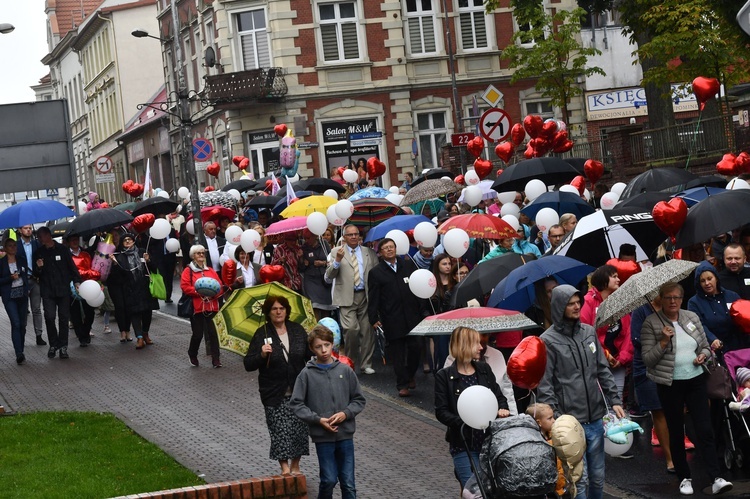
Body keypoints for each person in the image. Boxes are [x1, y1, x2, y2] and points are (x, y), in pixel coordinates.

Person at [640, 282, 733, 496]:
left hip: (696, 379)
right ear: (661, 299)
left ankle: (716, 477)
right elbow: (648, 359)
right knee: (676, 430)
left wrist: (704, 355)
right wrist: (663, 341)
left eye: (677, 297)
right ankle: (684, 477)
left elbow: (704, 346)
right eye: (668, 297)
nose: (673, 301)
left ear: (682, 299)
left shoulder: (691, 317)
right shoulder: (651, 323)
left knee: (704, 428)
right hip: (670, 383)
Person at [537, 284, 624, 499]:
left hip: (595, 417)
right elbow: (545, 384)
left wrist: (615, 399)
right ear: (559, 306)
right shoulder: (547, 341)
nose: (577, 307)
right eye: (571, 303)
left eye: (578, 302)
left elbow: (602, 369)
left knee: (597, 476)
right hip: (569, 422)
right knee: (578, 479)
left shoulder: (588, 332)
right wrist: (555, 419)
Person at [290, 325, 367, 499]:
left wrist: (345, 413)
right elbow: (296, 404)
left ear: (332, 344)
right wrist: (318, 420)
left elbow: (359, 399)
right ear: (312, 348)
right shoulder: (306, 375)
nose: (323, 350)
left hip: (345, 435)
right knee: (328, 480)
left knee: (348, 483)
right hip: (323, 437)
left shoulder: (345, 370)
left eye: (326, 345)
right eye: (318, 346)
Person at [434, 327, 510, 489]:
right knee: (474, 490)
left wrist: (502, 408)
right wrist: (464, 421)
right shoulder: (444, 376)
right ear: (464, 345)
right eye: (476, 343)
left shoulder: (483, 370)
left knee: (490, 490)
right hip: (463, 444)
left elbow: (498, 396)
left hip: (489, 444)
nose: (481, 347)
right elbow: (441, 411)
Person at [244, 296, 311, 476]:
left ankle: (296, 465)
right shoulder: (262, 333)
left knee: (299, 430)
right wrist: (261, 355)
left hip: (299, 391)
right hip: (273, 392)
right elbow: (248, 364)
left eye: (282, 308)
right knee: (280, 431)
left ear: (287, 310)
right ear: (268, 312)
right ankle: (285, 469)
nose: (279, 312)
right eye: (274, 309)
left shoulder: (297, 330)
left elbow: (309, 355)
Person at [368, 238, 428, 397]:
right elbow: (373, 297)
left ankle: (410, 375)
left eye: (391, 247)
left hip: (412, 315)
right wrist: (373, 318)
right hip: (392, 317)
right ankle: (402, 383)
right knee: (398, 353)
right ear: (380, 253)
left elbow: (418, 287)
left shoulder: (408, 265)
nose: (389, 250)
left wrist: (423, 310)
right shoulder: (376, 272)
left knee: (416, 348)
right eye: (385, 248)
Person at [325, 224, 379, 375]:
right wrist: (337, 261)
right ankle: (350, 361)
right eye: (350, 235)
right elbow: (328, 277)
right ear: (344, 237)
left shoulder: (368, 252)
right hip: (346, 296)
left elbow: (375, 274)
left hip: (365, 295)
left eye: (356, 234)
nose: (354, 237)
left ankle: (366, 363)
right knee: (351, 330)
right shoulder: (337, 252)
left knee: (367, 330)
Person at [630, 297, 674, 473]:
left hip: (671, 363)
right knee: (659, 410)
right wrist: (661, 338)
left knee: (675, 409)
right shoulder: (640, 310)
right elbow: (636, 339)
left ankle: (676, 450)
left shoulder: (671, 305)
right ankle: (670, 458)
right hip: (647, 366)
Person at [580, 265, 633, 402]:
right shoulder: (588, 302)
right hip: (596, 362)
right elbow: (585, 333)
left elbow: (628, 331)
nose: (619, 279)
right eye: (614, 276)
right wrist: (605, 355)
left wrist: (622, 358)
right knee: (600, 401)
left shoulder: (619, 301)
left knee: (617, 399)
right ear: (603, 280)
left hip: (617, 362)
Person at [33, 226, 82, 360]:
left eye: (40, 236)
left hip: (63, 290)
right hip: (47, 290)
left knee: (64, 318)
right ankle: (53, 344)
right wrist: (39, 267)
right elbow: (35, 274)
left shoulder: (63, 249)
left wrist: (77, 282)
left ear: (48, 235)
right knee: (49, 317)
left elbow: (72, 268)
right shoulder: (38, 252)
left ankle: (63, 346)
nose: (39, 239)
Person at [109, 232, 155, 350]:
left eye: (130, 239)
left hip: (144, 287)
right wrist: (115, 264)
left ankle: (145, 333)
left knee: (147, 313)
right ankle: (139, 338)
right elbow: (117, 277)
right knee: (134, 313)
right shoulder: (119, 256)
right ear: (122, 243)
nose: (128, 242)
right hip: (130, 289)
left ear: (134, 241)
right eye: (125, 240)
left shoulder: (141, 251)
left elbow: (153, 268)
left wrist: (148, 260)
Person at [181, 245, 223, 368]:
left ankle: (216, 359)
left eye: (202, 253)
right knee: (198, 334)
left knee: (213, 333)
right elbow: (185, 286)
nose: (201, 255)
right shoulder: (188, 271)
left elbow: (219, 286)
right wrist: (200, 292)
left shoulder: (210, 270)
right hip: (197, 307)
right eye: (198, 253)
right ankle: (192, 353)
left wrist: (214, 293)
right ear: (193, 256)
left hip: (212, 306)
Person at [688, 260, 744, 352]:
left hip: (737, 346)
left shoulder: (732, 296)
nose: (707, 283)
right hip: (713, 349)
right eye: (702, 281)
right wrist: (712, 339)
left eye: (710, 278)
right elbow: (698, 325)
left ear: (716, 278)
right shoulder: (694, 302)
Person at [527, 403, 568, 498]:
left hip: (560, 484)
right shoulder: (535, 442)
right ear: (538, 422)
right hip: (547, 489)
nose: (554, 421)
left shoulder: (555, 435)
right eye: (549, 418)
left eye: (553, 417)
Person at [0, 237, 30, 364]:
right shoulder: (1, 263)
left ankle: (21, 350)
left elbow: (26, 276)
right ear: (5, 248)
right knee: (16, 323)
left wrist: (27, 289)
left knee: (22, 325)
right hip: (9, 297)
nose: (13, 248)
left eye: (15, 246)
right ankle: (18, 353)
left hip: (22, 296)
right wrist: (10, 278)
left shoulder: (22, 260)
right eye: (11, 246)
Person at [68, 235, 100, 347]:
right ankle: (81, 337)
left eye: (76, 239)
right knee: (75, 313)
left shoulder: (86, 253)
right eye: (72, 240)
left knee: (90, 312)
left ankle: (86, 331)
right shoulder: (66, 255)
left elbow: (93, 265)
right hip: (72, 287)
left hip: (88, 286)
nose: (74, 241)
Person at [16, 225, 45, 345]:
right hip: (22, 281)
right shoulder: (16, 245)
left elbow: (41, 259)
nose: (28, 230)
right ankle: (21, 335)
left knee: (37, 309)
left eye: (29, 228)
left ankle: (39, 335)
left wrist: (40, 267)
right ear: (20, 230)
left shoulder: (36, 244)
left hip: (35, 279)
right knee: (22, 310)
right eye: (25, 228)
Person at [300, 230, 334, 319]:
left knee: (326, 308)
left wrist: (323, 263)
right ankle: (316, 330)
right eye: (305, 238)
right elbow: (300, 268)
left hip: (324, 280)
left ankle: (326, 329)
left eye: (308, 238)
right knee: (314, 306)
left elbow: (331, 260)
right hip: (311, 280)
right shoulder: (303, 248)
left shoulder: (324, 244)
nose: (306, 240)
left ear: (314, 236)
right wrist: (302, 261)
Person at [431, 253, 456, 370]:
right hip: (439, 323)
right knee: (441, 351)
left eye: (449, 264)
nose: (448, 266)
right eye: (444, 264)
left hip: (454, 320)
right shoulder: (432, 283)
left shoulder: (455, 283)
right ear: (438, 266)